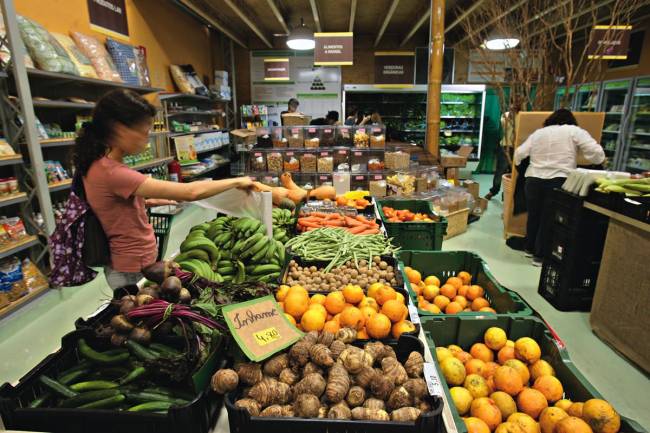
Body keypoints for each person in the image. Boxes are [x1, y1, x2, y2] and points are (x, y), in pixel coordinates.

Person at [74, 89, 254, 289]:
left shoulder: (98, 165)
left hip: (130, 262)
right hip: (130, 268)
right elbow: (190, 192)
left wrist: (145, 201)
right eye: (144, 131)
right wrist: (237, 181)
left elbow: (110, 204)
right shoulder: (113, 172)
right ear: (120, 129)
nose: (147, 137)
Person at [514, 109, 605, 266]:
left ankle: (529, 248)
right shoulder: (574, 131)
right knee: (548, 218)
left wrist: (520, 167)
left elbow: (519, 153)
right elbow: (597, 153)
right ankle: (540, 256)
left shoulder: (539, 133)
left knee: (534, 215)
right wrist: (593, 161)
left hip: (533, 179)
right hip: (558, 180)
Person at [485, 110, 515, 200]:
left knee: (514, 173)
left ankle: (507, 193)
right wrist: (511, 116)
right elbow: (504, 125)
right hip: (505, 146)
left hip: (518, 148)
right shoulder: (506, 115)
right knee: (500, 170)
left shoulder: (524, 116)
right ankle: (493, 191)